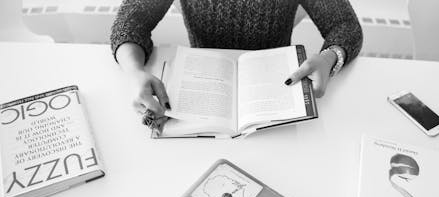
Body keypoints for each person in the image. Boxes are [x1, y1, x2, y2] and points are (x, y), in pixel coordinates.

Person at [110, 0, 363, 126]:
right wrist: (134, 72)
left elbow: (344, 25)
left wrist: (329, 57)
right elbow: (130, 20)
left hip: (276, 94)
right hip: (202, 91)